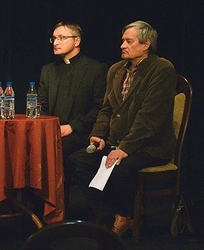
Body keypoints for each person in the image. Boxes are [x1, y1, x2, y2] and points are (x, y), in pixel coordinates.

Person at [67, 20, 176, 236]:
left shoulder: (162, 68)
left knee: (120, 168)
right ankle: (112, 215)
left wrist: (125, 147)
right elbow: (106, 109)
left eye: (129, 41)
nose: (122, 46)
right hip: (116, 141)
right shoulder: (116, 70)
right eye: (122, 41)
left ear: (146, 44)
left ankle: (126, 214)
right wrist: (98, 135)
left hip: (150, 146)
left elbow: (150, 117)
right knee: (78, 161)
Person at [37, 21, 107, 211]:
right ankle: (34, 208)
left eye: (62, 38)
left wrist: (72, 127)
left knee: (54, 151)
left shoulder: (95, 69)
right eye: (54, 38)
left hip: (81, 133)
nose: (55, 42)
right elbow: (41, 105)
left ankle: (56, 209)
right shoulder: (48, 70)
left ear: (77, 41)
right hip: (53, 131)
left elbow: (100, 107)